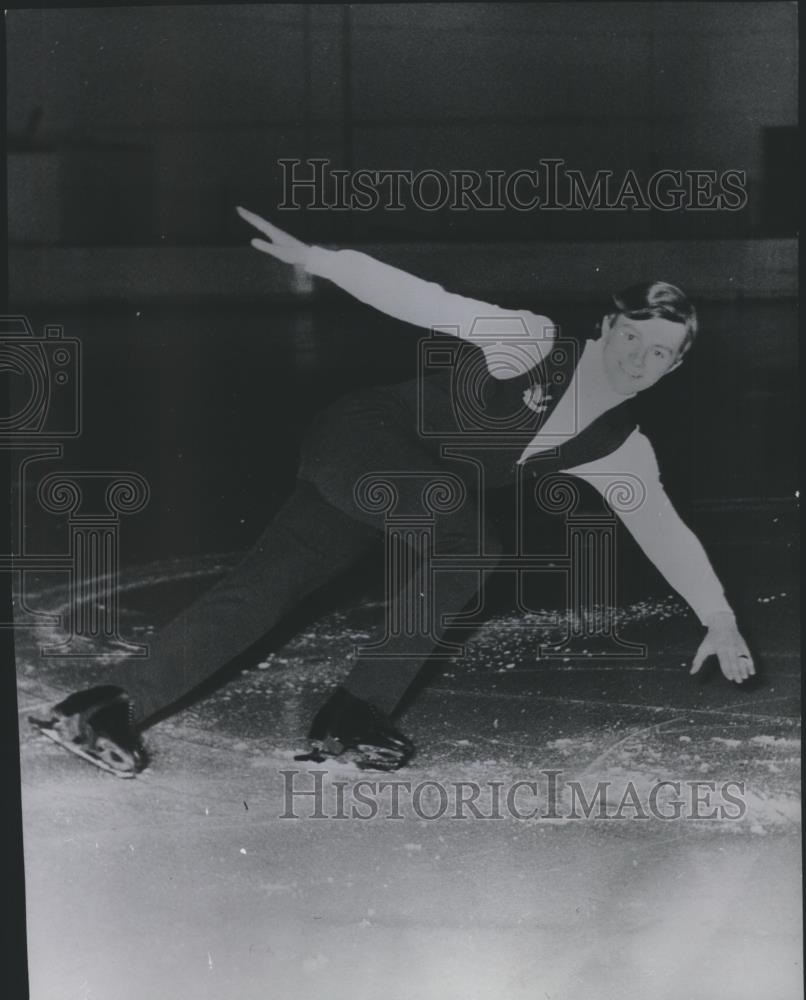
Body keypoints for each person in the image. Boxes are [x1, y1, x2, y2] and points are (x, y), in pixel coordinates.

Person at [30, 207, 755, 777]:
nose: (640, 358)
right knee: (471, 542)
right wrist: (323, 262)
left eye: (661, 353)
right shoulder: (534, 343)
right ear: (607, 327)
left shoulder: (620, 445)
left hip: (400, 488)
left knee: (262, 589)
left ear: (675, 366)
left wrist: (717, 616)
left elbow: (662, 528)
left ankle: (105, 708)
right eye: (634, 338)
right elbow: (431, 303)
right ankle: (353, 716)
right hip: (364, 439)